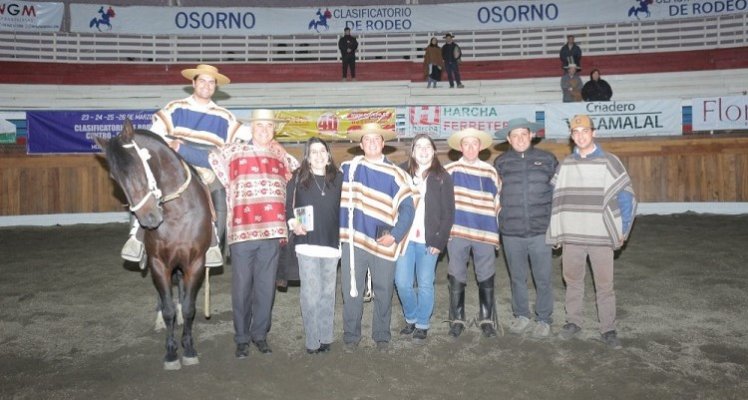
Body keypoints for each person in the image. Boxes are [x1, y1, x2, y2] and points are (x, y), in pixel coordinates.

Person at [121, 64, 245, 268]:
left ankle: (215, 242)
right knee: (147, 189)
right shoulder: (175, 107)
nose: (206, 85)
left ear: (216, 86)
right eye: (202, 81)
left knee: (220, 191)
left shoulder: (225, 115)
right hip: (174, 160)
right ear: (194, 83)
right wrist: (169, 146)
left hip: (206, 162)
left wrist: (269, 140)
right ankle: (136, 239)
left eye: (211, 82)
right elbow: (156, 133)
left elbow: (244, 136)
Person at [209, 109, 298, 358]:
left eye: (269, 127)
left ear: (274, 130)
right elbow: (212, 157)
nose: (265, 130)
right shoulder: (235, 150)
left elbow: (298, 171)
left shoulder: (280, 156)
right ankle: (241, 338)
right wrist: (230, 185)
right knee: (241, 287)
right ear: (252, 128)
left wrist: (280, 149)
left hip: (272, 231)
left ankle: (260, 335)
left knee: (265, 288)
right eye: (260, 126)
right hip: (242, 231)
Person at [547, 114, 637, 350]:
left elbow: (626, 196)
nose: (580, 135)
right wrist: (557, 231)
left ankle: (608, 328)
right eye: (575, 132)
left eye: (584, 131)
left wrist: (624, 228)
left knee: (604, 285)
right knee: (573, 281)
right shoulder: (566, 164)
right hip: (573, 237)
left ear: (593, 132)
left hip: (601, 236)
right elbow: (556, 198)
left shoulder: (610, 161)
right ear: (571, 136)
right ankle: (573, 322)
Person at [339, 123, 415, 353]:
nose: (371, 143)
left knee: (384, 289)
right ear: (360, 144)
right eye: (367, 139)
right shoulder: (348, 169)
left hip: (384, 241)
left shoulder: (397, 174)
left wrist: (395, 235)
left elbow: (408, 209)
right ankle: (351, 335)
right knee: (351, 289)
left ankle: (381, 334)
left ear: (383, 143)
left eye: (376, 139)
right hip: (353, 240)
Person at [493, 118, 558, 338]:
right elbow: (495, 197)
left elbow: (558, 196)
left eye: (524, 134)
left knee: (543, 278)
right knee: (517, 277)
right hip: (511, 232)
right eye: (515, 135)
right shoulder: (500, 163)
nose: (520, 138)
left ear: (531, 136)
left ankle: (543, 318)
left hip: (541, 230)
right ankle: (521, 314)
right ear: (508, 139)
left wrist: (556, 227)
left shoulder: (548, 160)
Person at [394, 134, 455, 341]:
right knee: (402, 282)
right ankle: (410, 317)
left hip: (429, 240)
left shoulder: (442, 177)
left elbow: (449, 213)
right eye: (418, 146)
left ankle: (422, 323)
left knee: (425, 283)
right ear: (412, 151)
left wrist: (439, 241)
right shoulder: (401, 172)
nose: (423, 150)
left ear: (433, 150)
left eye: (427, 146)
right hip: (405, 239)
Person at [285, 138, 343, 354]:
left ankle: (326, 336)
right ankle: (312, 339)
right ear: (307, 157)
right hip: (306, 245)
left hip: (331, 245)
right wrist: (293, 224)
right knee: (310, 294)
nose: (319, 156)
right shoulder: (297, 178)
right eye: (314, 152)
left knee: (328, 293)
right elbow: (288, 208)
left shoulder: (339, 179)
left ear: (328, 155)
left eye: (322, 151)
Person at [444, 128, 501, 338]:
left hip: (484, 232)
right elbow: (442, 203)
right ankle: (457, 319)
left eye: (474, 144)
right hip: (457, 231)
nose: (470, 148)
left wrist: (495, 233)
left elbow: (497, 203)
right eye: (466, 144)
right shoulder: (449, 170)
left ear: (480, 146)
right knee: (456, 273)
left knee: (485, 274)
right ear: (460, 147)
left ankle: (486, 319)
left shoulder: (490, 172)